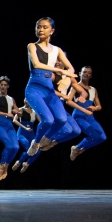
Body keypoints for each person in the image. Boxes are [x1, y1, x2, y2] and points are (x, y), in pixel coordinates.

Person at [24, 17, 79, 158]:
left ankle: (46, 139)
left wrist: (66, 77)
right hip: (34, 88)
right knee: (48, 120)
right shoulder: (32, 46)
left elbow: (71, 68)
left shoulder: (57, 50)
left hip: (48, 89)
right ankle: (36, 143)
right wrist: (59, 71)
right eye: (38, 27)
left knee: (61, 119)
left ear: (52, 30)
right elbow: (36, 64)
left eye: (44, 27)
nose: (41, 29)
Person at [64, 66, 107, 161]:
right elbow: (68, 101)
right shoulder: (76, 86)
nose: (86, 74)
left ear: (91, 75)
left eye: (89, 73)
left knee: (102, 137)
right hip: (79, 116)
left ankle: (78, 148)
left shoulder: (93, 89)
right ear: (80, 73)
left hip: (90, 117)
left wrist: (95, 108)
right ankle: (78, 148)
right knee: (94, 136)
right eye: (84, 72)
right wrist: (83, 110)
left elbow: (99, 106)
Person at [0, 76, 20, 180]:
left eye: (5, 85)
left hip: (9, 125)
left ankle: (6, 166)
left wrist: (18, 112)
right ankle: (1, 165)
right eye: (1, 85)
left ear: (8, 86)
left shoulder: (11, 99)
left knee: (15, 147)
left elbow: (18, 112)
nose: (3, 87)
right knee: (8, 145)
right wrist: (6, 113)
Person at [11, 98, 40, 173]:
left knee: (38, 150)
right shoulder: (21, 109)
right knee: (28, 149)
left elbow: (41, 122)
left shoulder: (34, 111)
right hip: (22, 133)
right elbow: (14, 120)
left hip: (31, 134)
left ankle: (26, 164)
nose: (26, 101)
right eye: (25, 100)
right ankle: (19, 162)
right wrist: (25, 128)